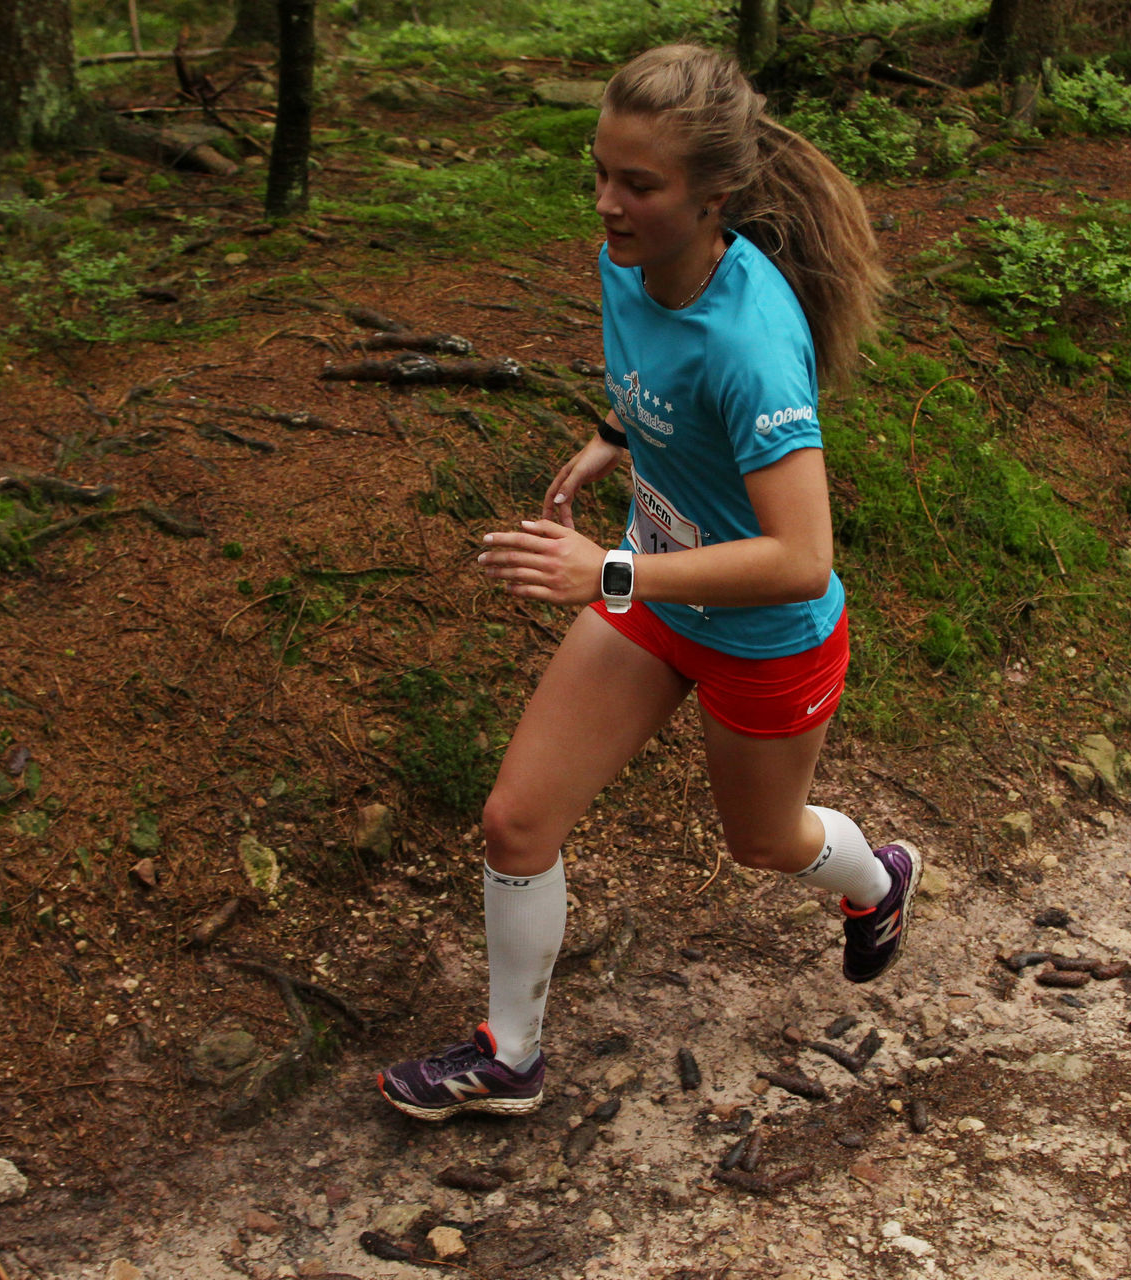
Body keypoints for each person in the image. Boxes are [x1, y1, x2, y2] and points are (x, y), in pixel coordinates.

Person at [377, 43, 913, 1122]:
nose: (607, 204)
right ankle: (510, 1055)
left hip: (765, 635)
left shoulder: (754, 343)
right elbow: (649, 366)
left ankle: (877, 880)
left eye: (638, 184)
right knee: (515, 821)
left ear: (713, 199)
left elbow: (802, 557)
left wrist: (607, 569)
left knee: (763, 843)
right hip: (655, 599)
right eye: (600, 173)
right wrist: (613, 435)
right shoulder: (627, 261)